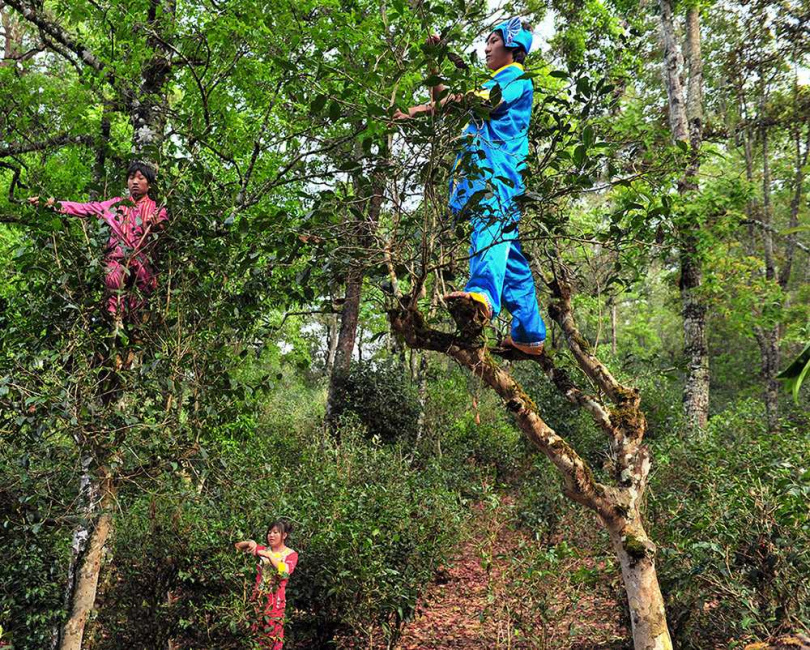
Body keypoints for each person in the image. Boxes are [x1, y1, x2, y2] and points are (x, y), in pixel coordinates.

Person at [395, 18, 546, 355]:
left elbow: (468, 101)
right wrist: (435, 61)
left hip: (497, 175)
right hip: (485, 175)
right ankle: (529, 335)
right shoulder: (494, 81)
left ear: (512, 47)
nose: (486, 47)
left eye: (493, 41)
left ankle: (480, 296)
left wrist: (415, 111)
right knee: (511, 257)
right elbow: (446, 101)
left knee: (490, 230)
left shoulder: (514, 77)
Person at [28, 161, 168, 322]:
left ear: (149, 184)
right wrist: (53, 204)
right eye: (131, 178)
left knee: (142, 306)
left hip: (143, 263)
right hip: (118, 258)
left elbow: (162, 226)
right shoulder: (116, 204)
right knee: (113, 279)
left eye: (140, 178)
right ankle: (116, 322)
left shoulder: (156, 208)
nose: (135, 182)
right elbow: (86, 208)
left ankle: (138, 335)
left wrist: (154, 224)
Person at [235, 520, 299, 650]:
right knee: (256, 633)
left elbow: (285, 570)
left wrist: (269, 556)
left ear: (284, 536)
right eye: (269, 532)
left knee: (274, 633)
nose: (271, 535)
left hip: (276, 599)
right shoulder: (263, 549)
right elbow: (238, 546)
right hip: (258, 597)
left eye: (275, 532)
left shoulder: (291, 554)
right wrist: (250, 543)